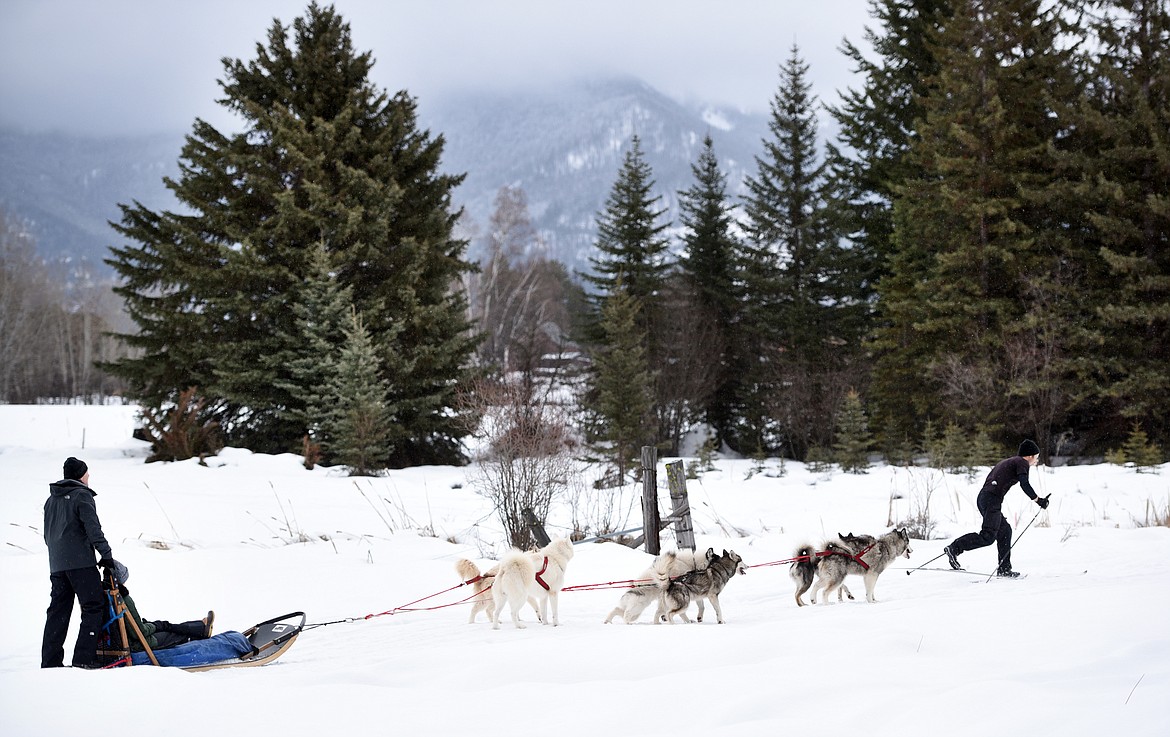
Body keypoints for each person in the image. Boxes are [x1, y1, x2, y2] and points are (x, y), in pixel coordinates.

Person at [42, 457, 126, 668]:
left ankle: (50, 663)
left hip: (57, 566)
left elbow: (47, 536)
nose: (89, 477)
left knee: (57, 613)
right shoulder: (82, 496)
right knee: (93, 606)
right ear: (81, 475)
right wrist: (106, 556)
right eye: (87, 473)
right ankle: (83, 661)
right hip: (81, 564)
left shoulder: (51, 500)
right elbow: (94, 530)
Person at [944, 440, 1050, 577]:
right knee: (988, 537)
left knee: (1005, 531)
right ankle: (954, 548)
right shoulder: (1021, 462)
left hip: (985, 498)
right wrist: (1039, 500)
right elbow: (1024, 484)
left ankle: (1004, 569)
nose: (1036, 460)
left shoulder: (1010, 461)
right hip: (991, 500)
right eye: (1036, 457)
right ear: (1029, 456)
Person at [107, 573, 215, 652]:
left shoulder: (108, 596)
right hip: (139, 642)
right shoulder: (124, 599)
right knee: (171, 631)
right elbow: (139, 633)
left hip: (132, 639)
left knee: (165, 625)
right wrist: (154, 626)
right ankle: (201, 630)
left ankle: (200, 626)